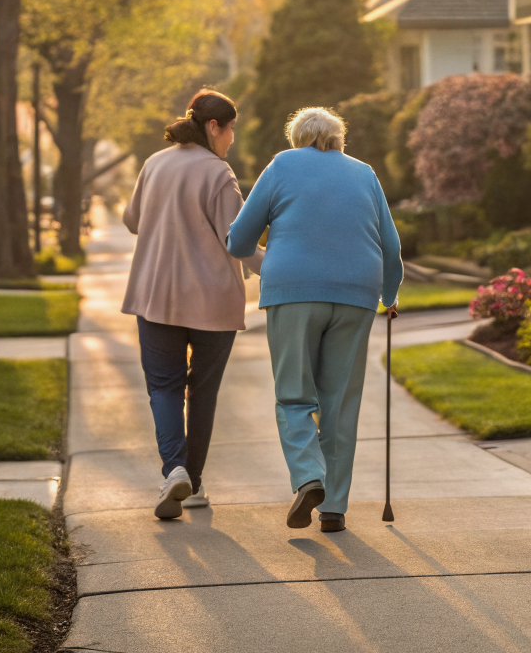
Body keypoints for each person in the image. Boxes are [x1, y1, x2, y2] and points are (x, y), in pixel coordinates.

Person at [227, 107, 402, 533]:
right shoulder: (364, 173)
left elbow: (238, 239)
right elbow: (392, 246)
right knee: (339, 403)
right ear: (339, 139)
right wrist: (389, 296)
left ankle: (309, 477)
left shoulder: (283, 164)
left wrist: (268, 260)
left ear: (297, 139)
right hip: (357, 294)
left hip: (293, 292)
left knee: (294, 396)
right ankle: (334, 509)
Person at [121, 89, 262, 519]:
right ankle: (194, 484)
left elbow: (132, 221)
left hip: (157, 296)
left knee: (163, 387)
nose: (233, 138)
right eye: (231, 128)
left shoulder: (155, 163)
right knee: (202, 391)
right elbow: (236, 241)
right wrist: (276, 267)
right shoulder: (219, 174)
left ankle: (174, 470)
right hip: (212, 301)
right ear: (213, 127)